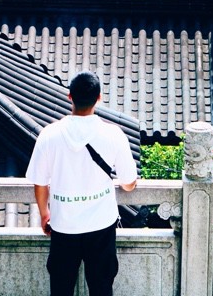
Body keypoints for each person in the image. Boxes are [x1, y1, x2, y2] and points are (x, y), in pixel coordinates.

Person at [26, 71, 138, 296]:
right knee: (101, 287)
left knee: (61, 288)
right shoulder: (113, 134)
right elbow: (129, 183)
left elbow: (40, 182)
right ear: (99, 98)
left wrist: (45, 214)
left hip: (63, 224)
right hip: (101, 225)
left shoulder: (49, 135)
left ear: (70, 96)